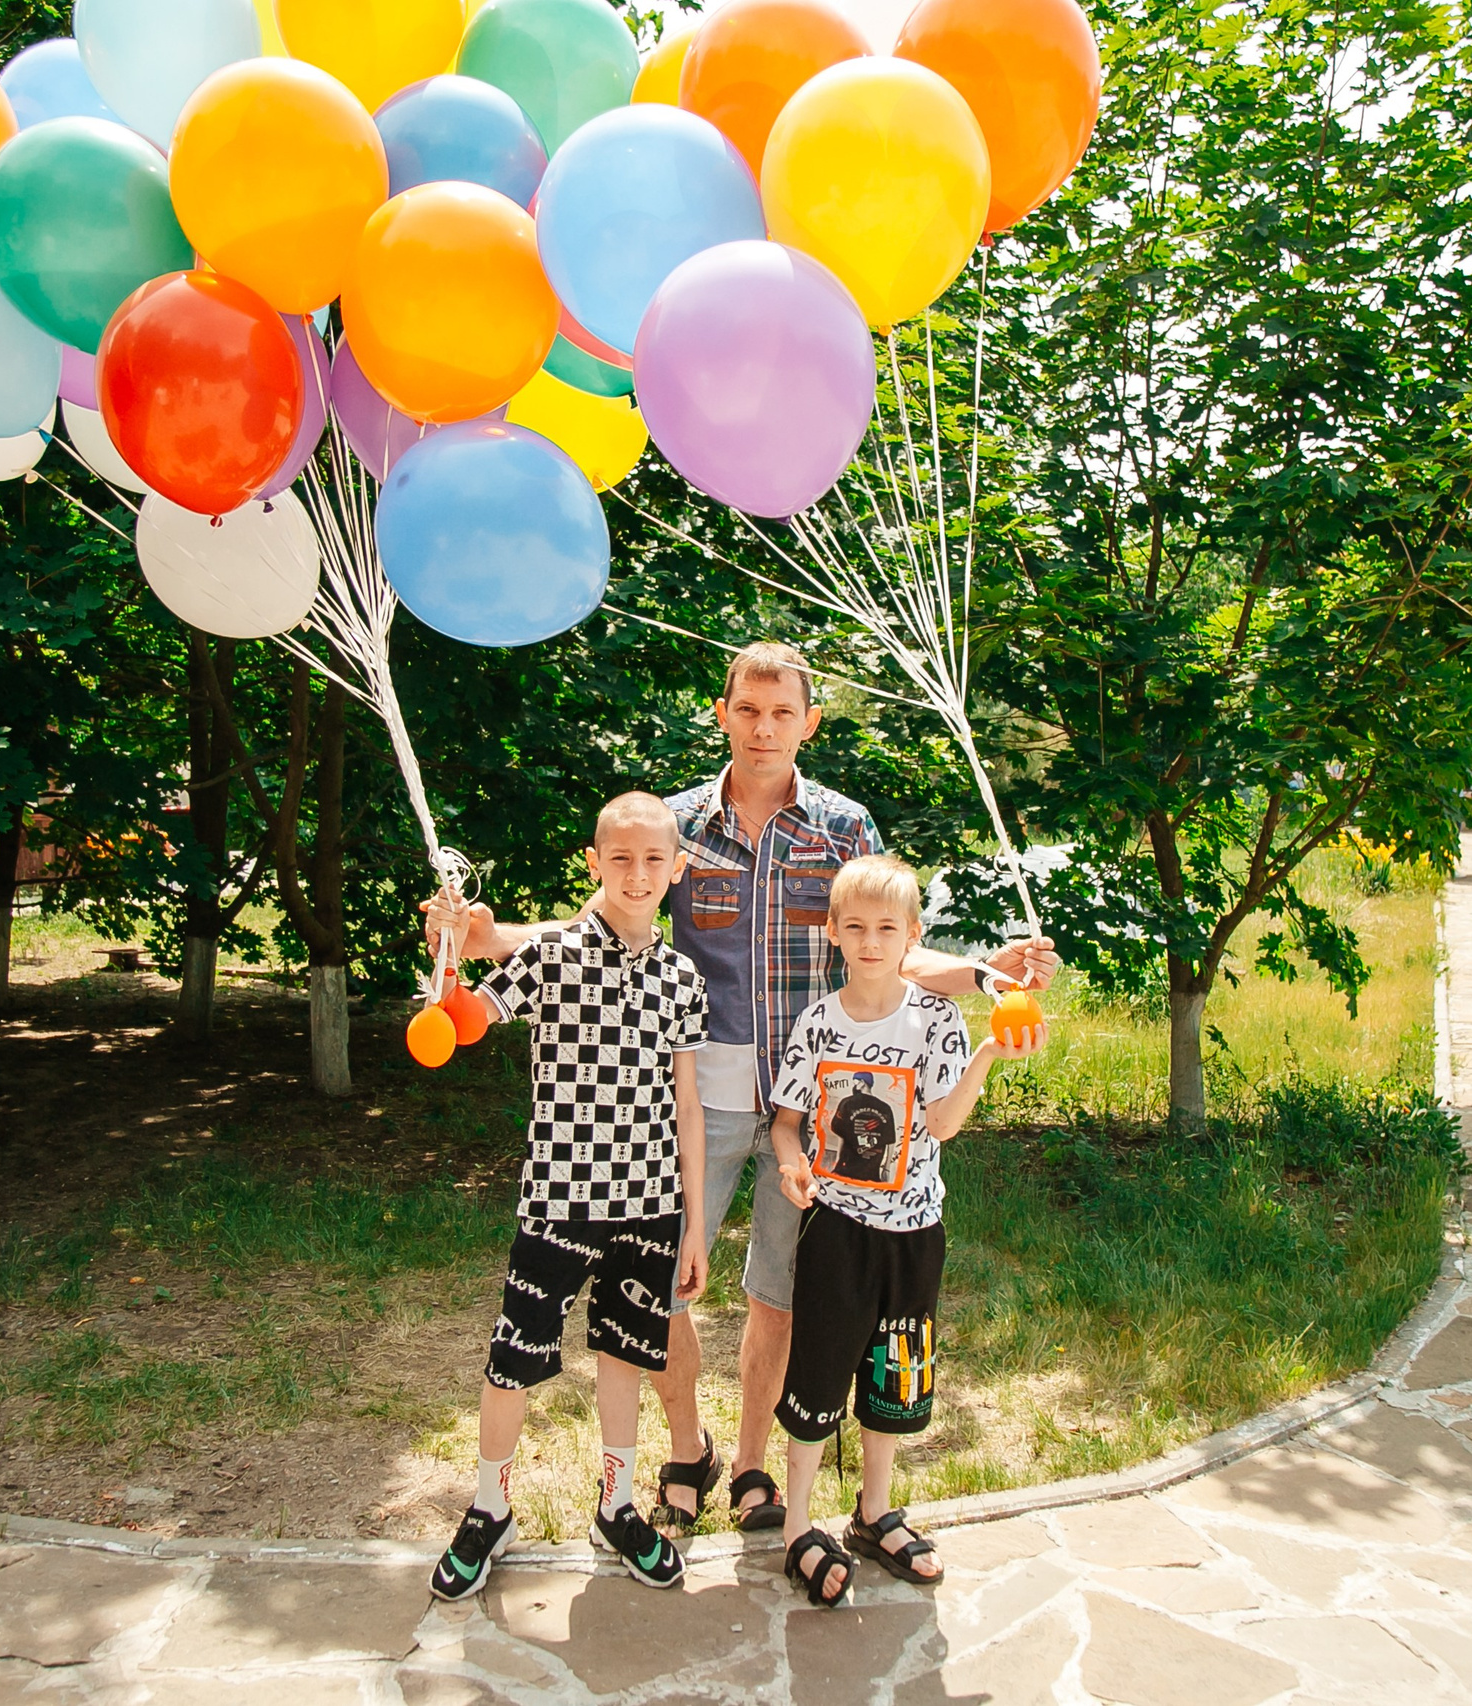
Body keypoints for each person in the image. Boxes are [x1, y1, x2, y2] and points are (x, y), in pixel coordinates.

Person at [425, 642, 1058, 1535]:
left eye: (783, 713)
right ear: (721, 713)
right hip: (702, 1093)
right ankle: (688, 1449)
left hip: (819, 1100)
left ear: (811, 722)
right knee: (667, 1287)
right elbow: (606, 922)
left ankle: (754, 1465)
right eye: (748, 711)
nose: (765, 729)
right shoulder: (677, 826)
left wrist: (982, 971)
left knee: (781, 1292)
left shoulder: (844, 827)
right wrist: (491, 943)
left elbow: (891, 946)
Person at [430, 793, 711, 1601]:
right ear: (594, 863)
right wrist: (448, 952)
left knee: (623, 1357)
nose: (637, 874)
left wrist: (692, 1223)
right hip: (558, 1202)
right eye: (620, 859)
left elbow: (687, 1106)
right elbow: (467, 1021)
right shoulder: (550, 951)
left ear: (676, 871)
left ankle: (617, 1504)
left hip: (651, 1207)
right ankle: (490, 1508)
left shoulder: (682, 978)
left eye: (654, 860)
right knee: (512, 1360)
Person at [764, 856, 1042, 1607]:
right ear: (833, 934)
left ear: (913, 935)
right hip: (837, 1230)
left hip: (915, 1232)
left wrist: (988, 1052)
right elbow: (786, 1126)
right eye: (854, 926)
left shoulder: (938, 1019)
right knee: (819, 1371)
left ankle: (874, 1512)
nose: (871, 940)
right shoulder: (818, 1021)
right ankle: (796, 1527)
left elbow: (943, 1124)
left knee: (893, 1374)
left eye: (887, 928)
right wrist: (793, 1169)